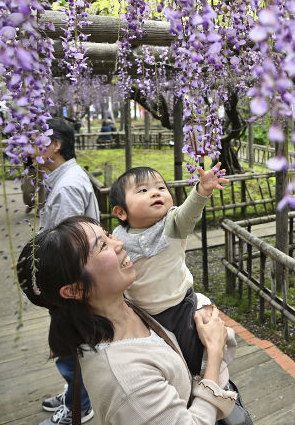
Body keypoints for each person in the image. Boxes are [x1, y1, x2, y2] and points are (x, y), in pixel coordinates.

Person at [16, 216, 238, 425]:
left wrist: (201, 310)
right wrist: (214, 352)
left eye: (108, 235)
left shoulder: (128, 303)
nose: (119, 243)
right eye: (102, 246)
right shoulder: (124, 379)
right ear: (75, 290)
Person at [108, 165, 227, 375]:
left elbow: (188, 213)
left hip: (180, 306)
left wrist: (202, 191)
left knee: (191, 358)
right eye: (142, 190)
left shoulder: (172, 223)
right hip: (141, 313)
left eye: (161, 188)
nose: (155, 192)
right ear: (121, 212)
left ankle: (201, 384)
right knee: (160, 360)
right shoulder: (117, 238)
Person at [35, 117, 100, 425]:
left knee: (68, 343)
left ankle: (80, 404)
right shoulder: (65, 178)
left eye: (37, 141)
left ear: (55, 145)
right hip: (70, 281)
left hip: (68, 282)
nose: (30, 148)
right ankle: (75, 392)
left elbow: (68, 246)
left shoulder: (68, 186)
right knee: (71, 343)